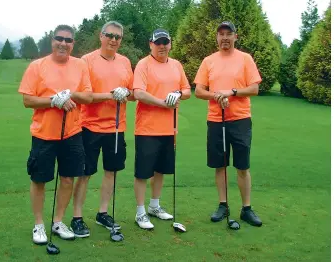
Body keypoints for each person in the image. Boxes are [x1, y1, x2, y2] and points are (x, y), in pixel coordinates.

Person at [18, 24, 93, 244]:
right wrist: (53, 100)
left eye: (68, 40)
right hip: (43, 134)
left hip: (72, 133)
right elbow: (27, 100)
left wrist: (69, 94)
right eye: (59, 39)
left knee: (68, 178)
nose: (63, 43)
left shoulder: (80, 65)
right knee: (39, 179)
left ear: (73, 44)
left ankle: (58, 221)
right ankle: (39, 224)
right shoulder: (37, 66)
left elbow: (87, 97)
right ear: (52, 41)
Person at [194, 21, 263, 227]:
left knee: (242, 166)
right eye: (221, 34)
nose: (224, 37)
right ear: (216, 38)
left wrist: (231, 92)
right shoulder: (208, 61)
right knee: (220, 165)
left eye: (228, 34)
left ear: (236, 36)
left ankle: (246, 209)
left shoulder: (245, 59)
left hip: (240, 119)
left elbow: (254, 89)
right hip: (216, 120)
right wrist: (216, 96)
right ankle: (223, 205)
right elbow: (199, 90)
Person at [69, 21, 134, 238]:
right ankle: (77, 217)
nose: (113, 40)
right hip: (90, 126)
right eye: (110, 35)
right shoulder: (86, 60)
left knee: (111, 172)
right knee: (85, 173)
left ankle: (103, 212)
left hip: (116, 127)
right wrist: (110, 94)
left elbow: (132, 93)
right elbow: (81, 94)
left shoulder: (125, 62)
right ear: (101, 36)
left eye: (118, 37)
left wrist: (124, 93)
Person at [132, 28, 191, 229]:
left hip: (169, 129)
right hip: (147, 129)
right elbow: (138, 93)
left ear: (170, 44)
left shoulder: (176, 65)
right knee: (143, 173)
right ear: (151, 44)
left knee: (161, 170)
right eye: (158, 43)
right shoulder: (143, 65)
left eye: (165, 42)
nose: (162, 46)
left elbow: (187, 90)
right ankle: (140, 213)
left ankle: (154, 206)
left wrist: (178, 94)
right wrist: (162, 102)